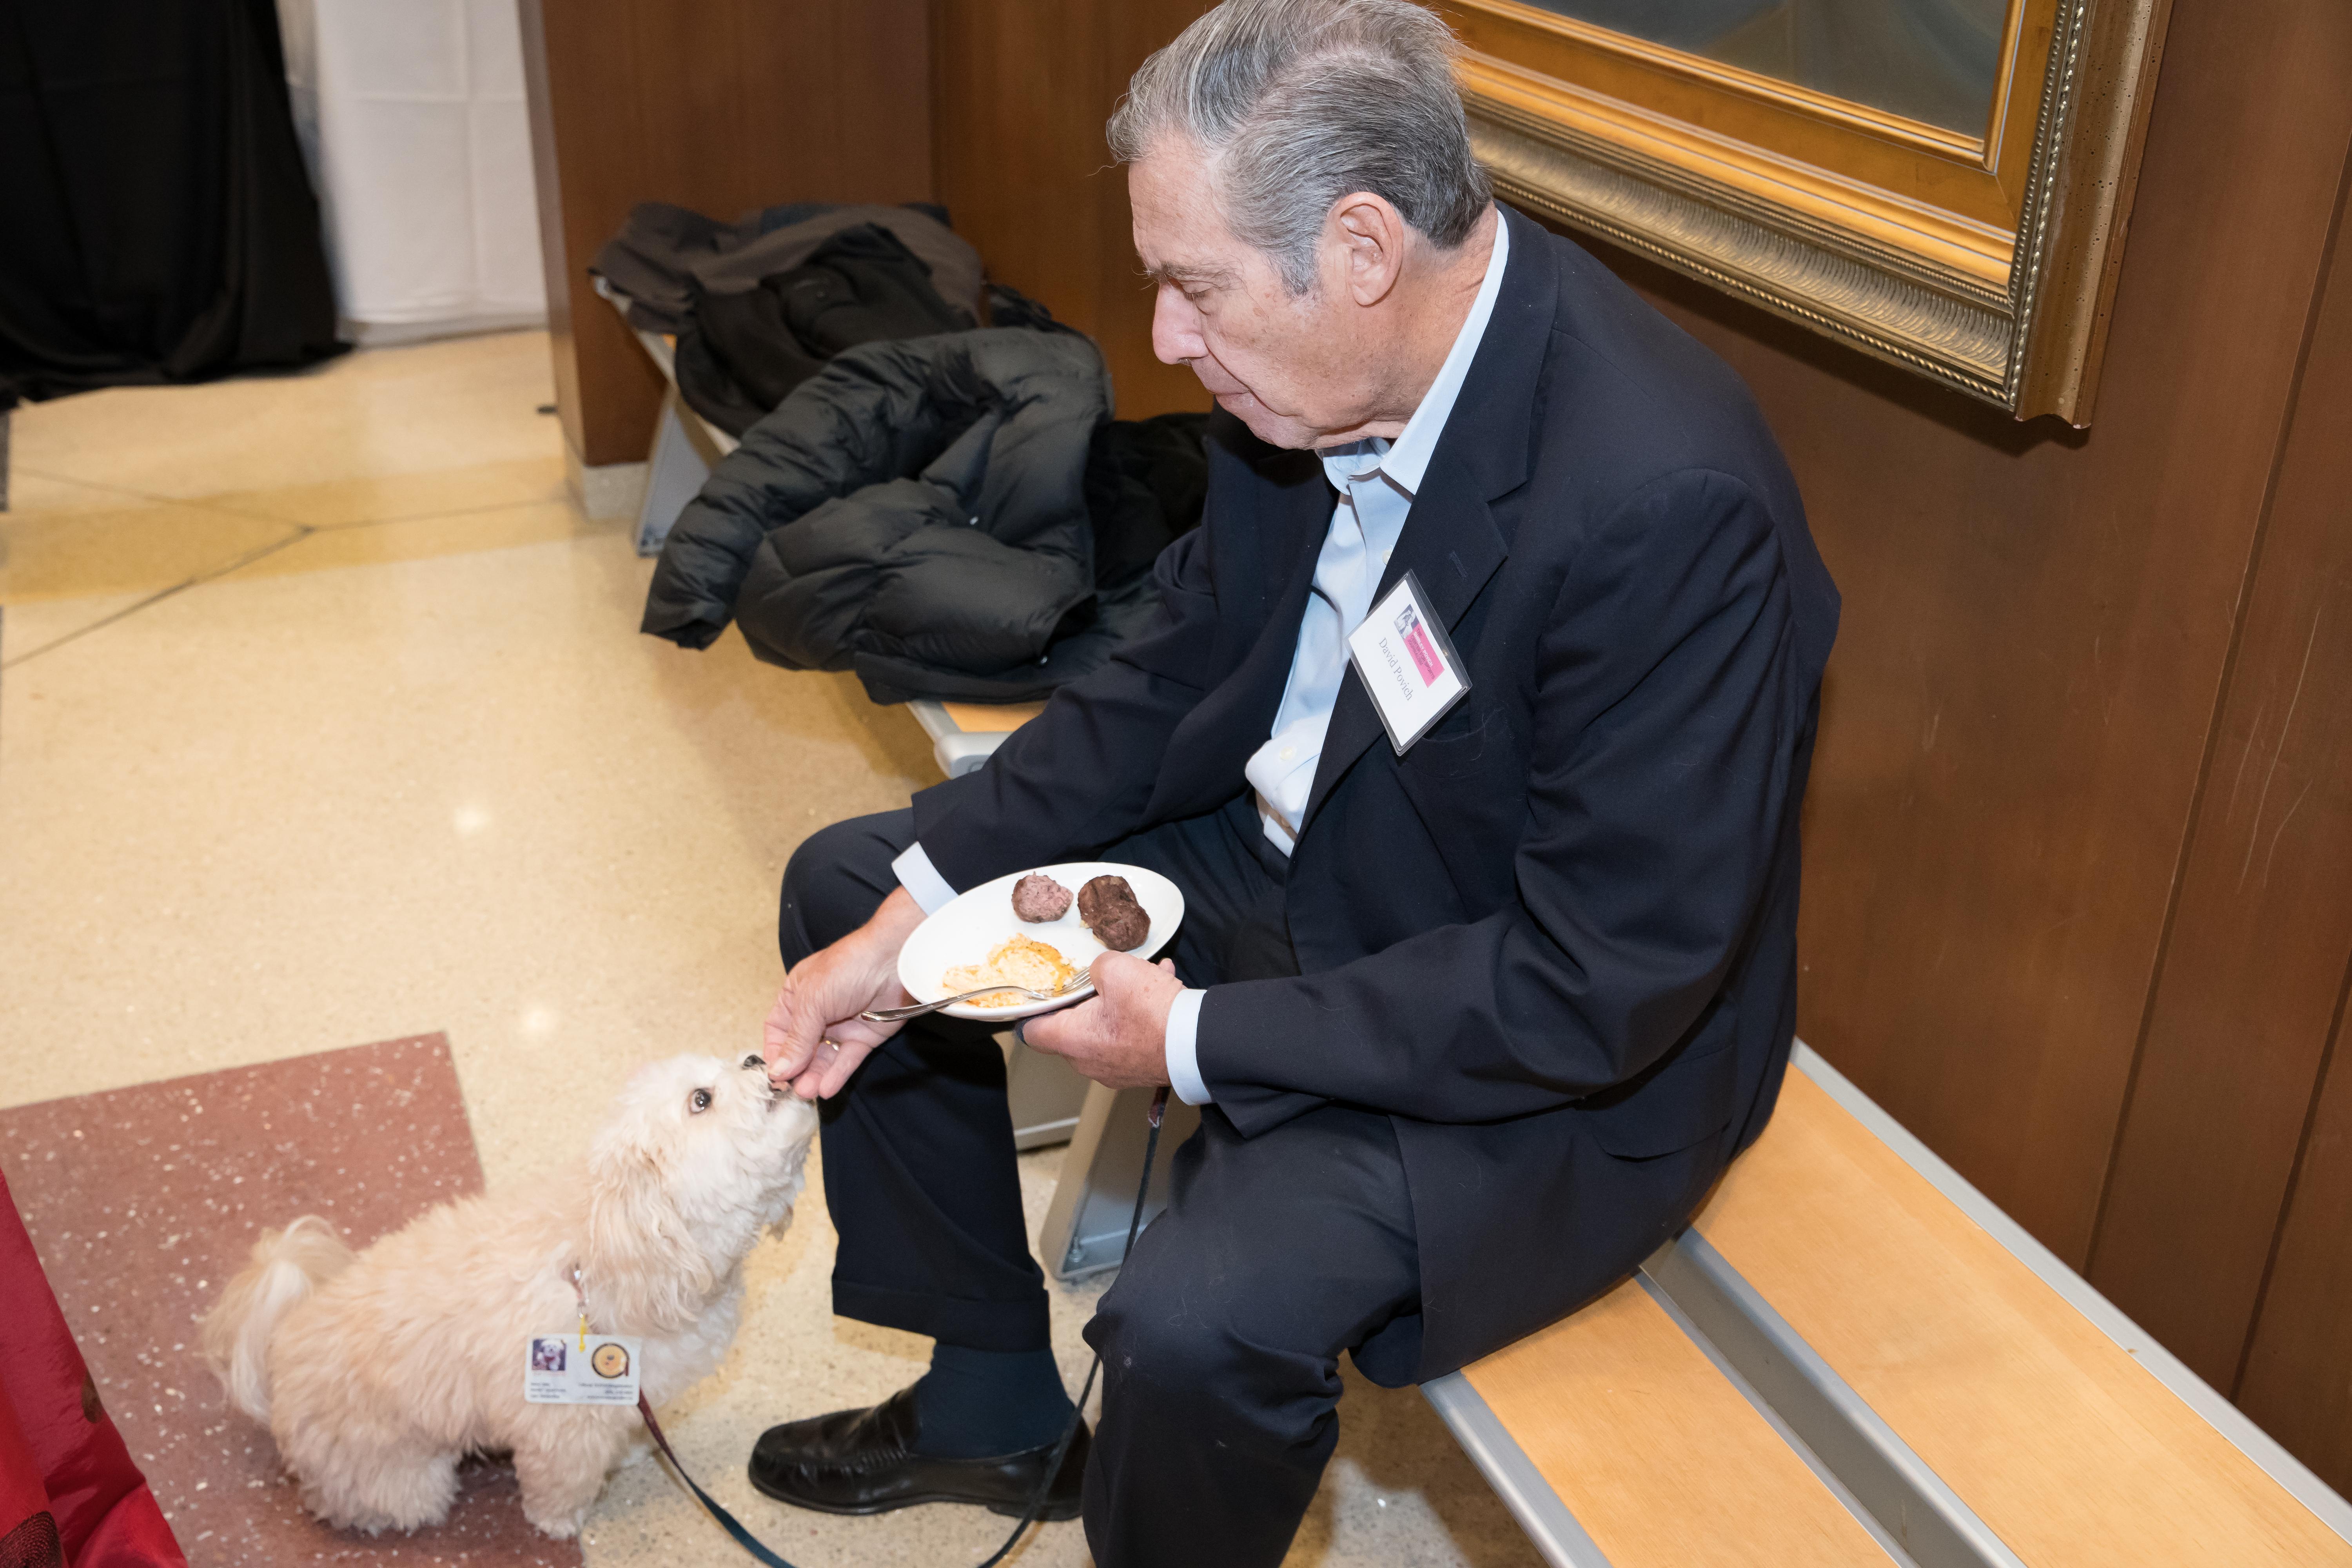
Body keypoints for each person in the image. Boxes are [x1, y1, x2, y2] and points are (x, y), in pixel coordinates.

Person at [750, 0, 1839, 1562]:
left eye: (1194, 290)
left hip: (1521, 1021)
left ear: (1364, 246)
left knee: (1193, 1326)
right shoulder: (1317, 371)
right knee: (854, 888)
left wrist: (1190, 1037)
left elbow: (1597, 979)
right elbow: (1181, 660)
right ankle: (993, 1400)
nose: (1169, 343)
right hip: (1311, 847)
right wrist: (921, 897)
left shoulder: (1663, 501)